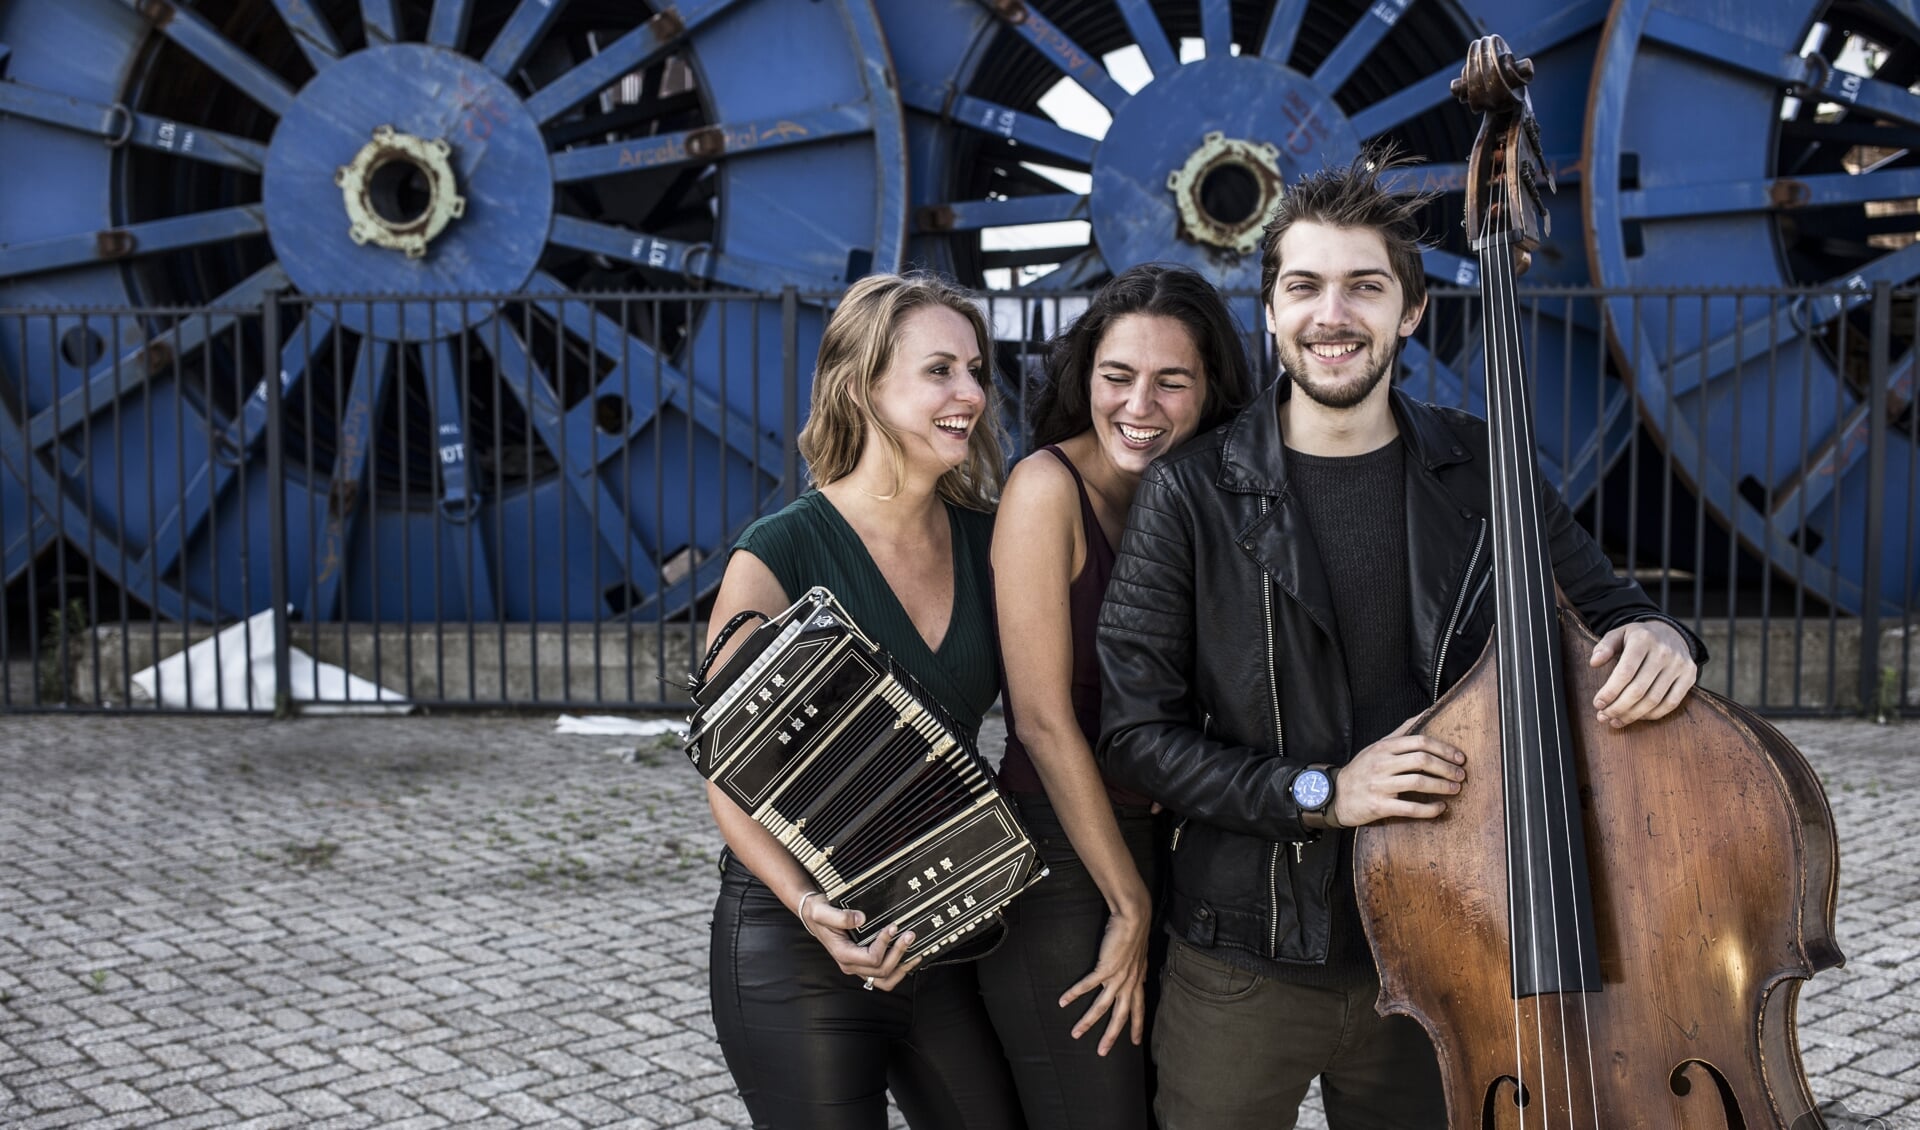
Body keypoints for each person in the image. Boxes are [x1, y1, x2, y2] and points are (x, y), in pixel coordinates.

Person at [1094, 153, 1707, 1130]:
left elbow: (1619, 606)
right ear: (1270, 311)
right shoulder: (1193, 491)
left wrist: (1660, 635)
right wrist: (1322, 790)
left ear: (1411, 312)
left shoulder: (1486, 470)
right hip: (1247, 958)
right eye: (1304, 286)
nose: (1331, 314)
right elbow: (1133, 733)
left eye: (1364, 286)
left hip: (1452, 946)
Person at [704, 272, 1025, 1130]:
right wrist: (813, 913)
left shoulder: (992, 541)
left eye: (976, 369)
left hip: (935, 923)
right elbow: (726, 772)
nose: (972, 394)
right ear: (863, 386)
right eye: (940, 371)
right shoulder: (778, 552)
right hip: (793, 936)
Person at [981, 265, 1256, 1129]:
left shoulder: (1211, 495)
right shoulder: (1043, 490)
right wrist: (1128, 900)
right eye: (1117, 377)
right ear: (1085, 379)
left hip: (1185, 852)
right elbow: (1040, 719)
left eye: (1172, 381)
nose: (1140, 405)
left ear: (1210, 392)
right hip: (1063, 856)